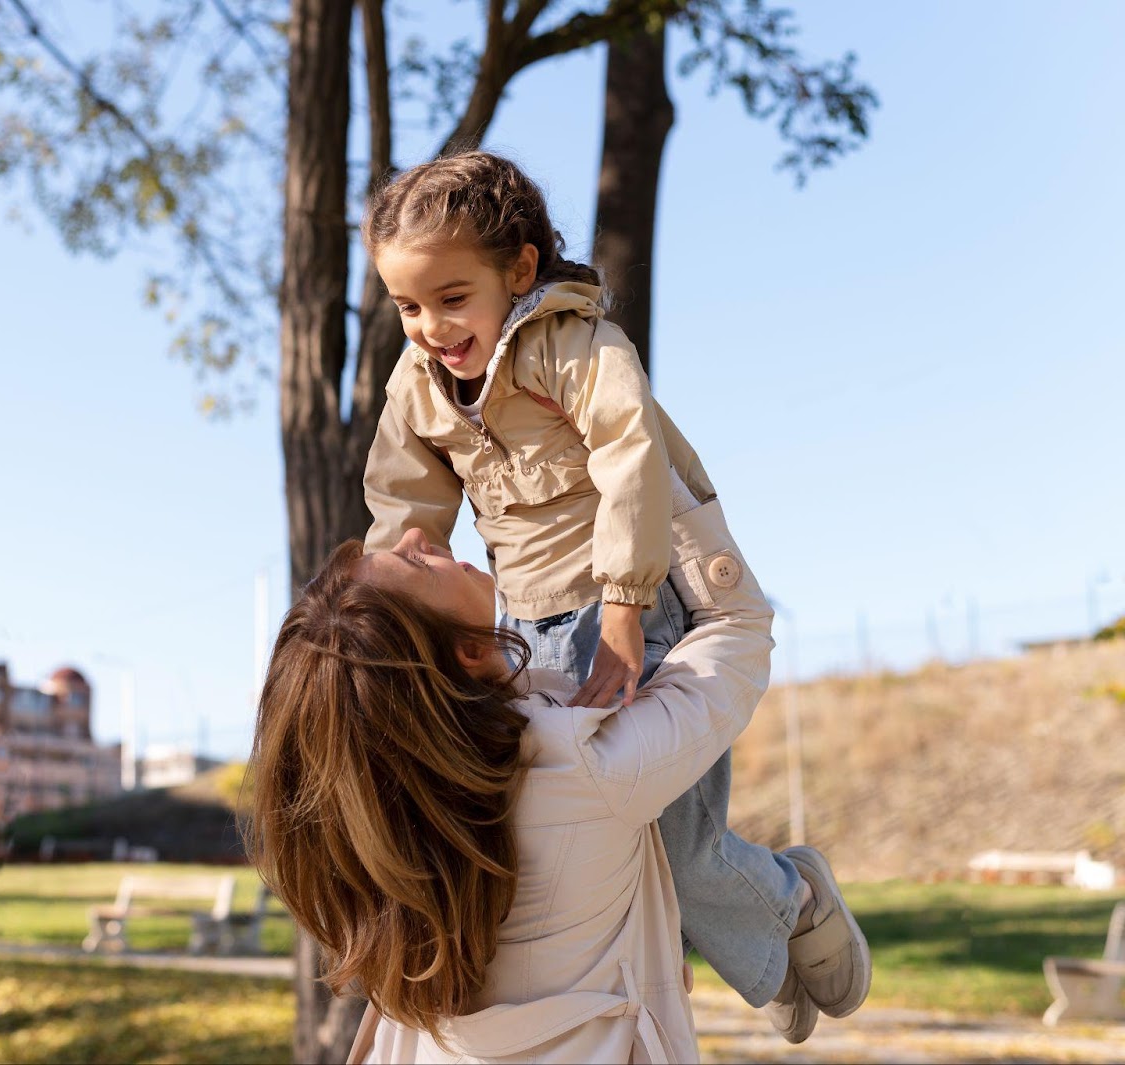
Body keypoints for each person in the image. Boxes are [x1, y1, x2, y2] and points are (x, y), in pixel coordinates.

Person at [359, 150, 866, 1042]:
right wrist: (392, 619)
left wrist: (627, 609)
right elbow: (406, 508)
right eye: (408, 305)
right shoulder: (418, 387)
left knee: (673, 839)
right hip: (521, 626)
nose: (431, 326)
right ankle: (757, 952)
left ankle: (788, 908)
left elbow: (633, 461)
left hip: (632, 604)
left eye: (451, 297)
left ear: (519, 270)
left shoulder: (577, 347)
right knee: (582, 842)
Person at [248, 478, 853, 1062]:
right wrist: (647, 467)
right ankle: (789, 909)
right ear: (468, 653)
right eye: (414, 564)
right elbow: (736, 629)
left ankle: (765, 940)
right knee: (679, 844)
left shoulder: (367, 855)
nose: (411, 537)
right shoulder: (579, 765)